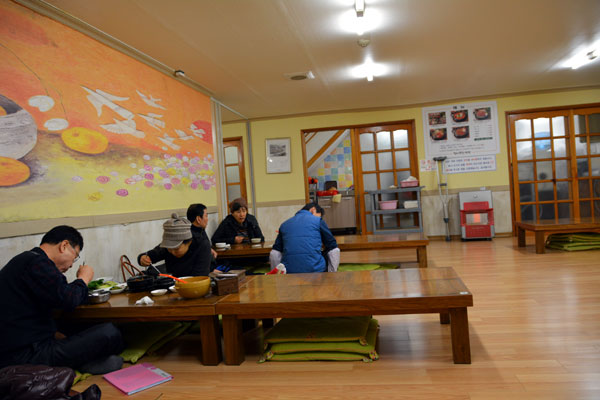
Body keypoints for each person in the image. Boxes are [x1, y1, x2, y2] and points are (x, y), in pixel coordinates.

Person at [0, 225, 124, 374]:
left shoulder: (28, 260)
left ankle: (82, 361)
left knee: (83, 328)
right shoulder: (37, 263)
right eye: (75, 256)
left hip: (27, 346)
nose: (72, 265)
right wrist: (84, 278)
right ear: (64, 246)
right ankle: (81, 363)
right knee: (110, 332)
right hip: (25, 355)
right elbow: (69, 299)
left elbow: (58, 298)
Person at [270, 203, 340, 273]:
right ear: (313, 210)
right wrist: (332, 273)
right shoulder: (318, 221)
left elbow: (274, 253)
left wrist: (277, 276)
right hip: (316, 272)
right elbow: (334, 248)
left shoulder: (284, 224)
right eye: (318, 216)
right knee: (331, 249)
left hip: (289, 272)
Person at [138, 213, 213, 277]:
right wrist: (142, 258)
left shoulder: (202, 245)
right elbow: (150, 255)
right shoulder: (168, 246)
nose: (172, 252)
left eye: (176, 249)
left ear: (188, 242)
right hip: (173, 286)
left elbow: (200, 277)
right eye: (169, 249)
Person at [187, 203, 217, 268]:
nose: (207, 219)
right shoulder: (192, 236)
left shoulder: (200, 230)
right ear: (198, 219)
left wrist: (210, 249)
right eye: (206, 216)